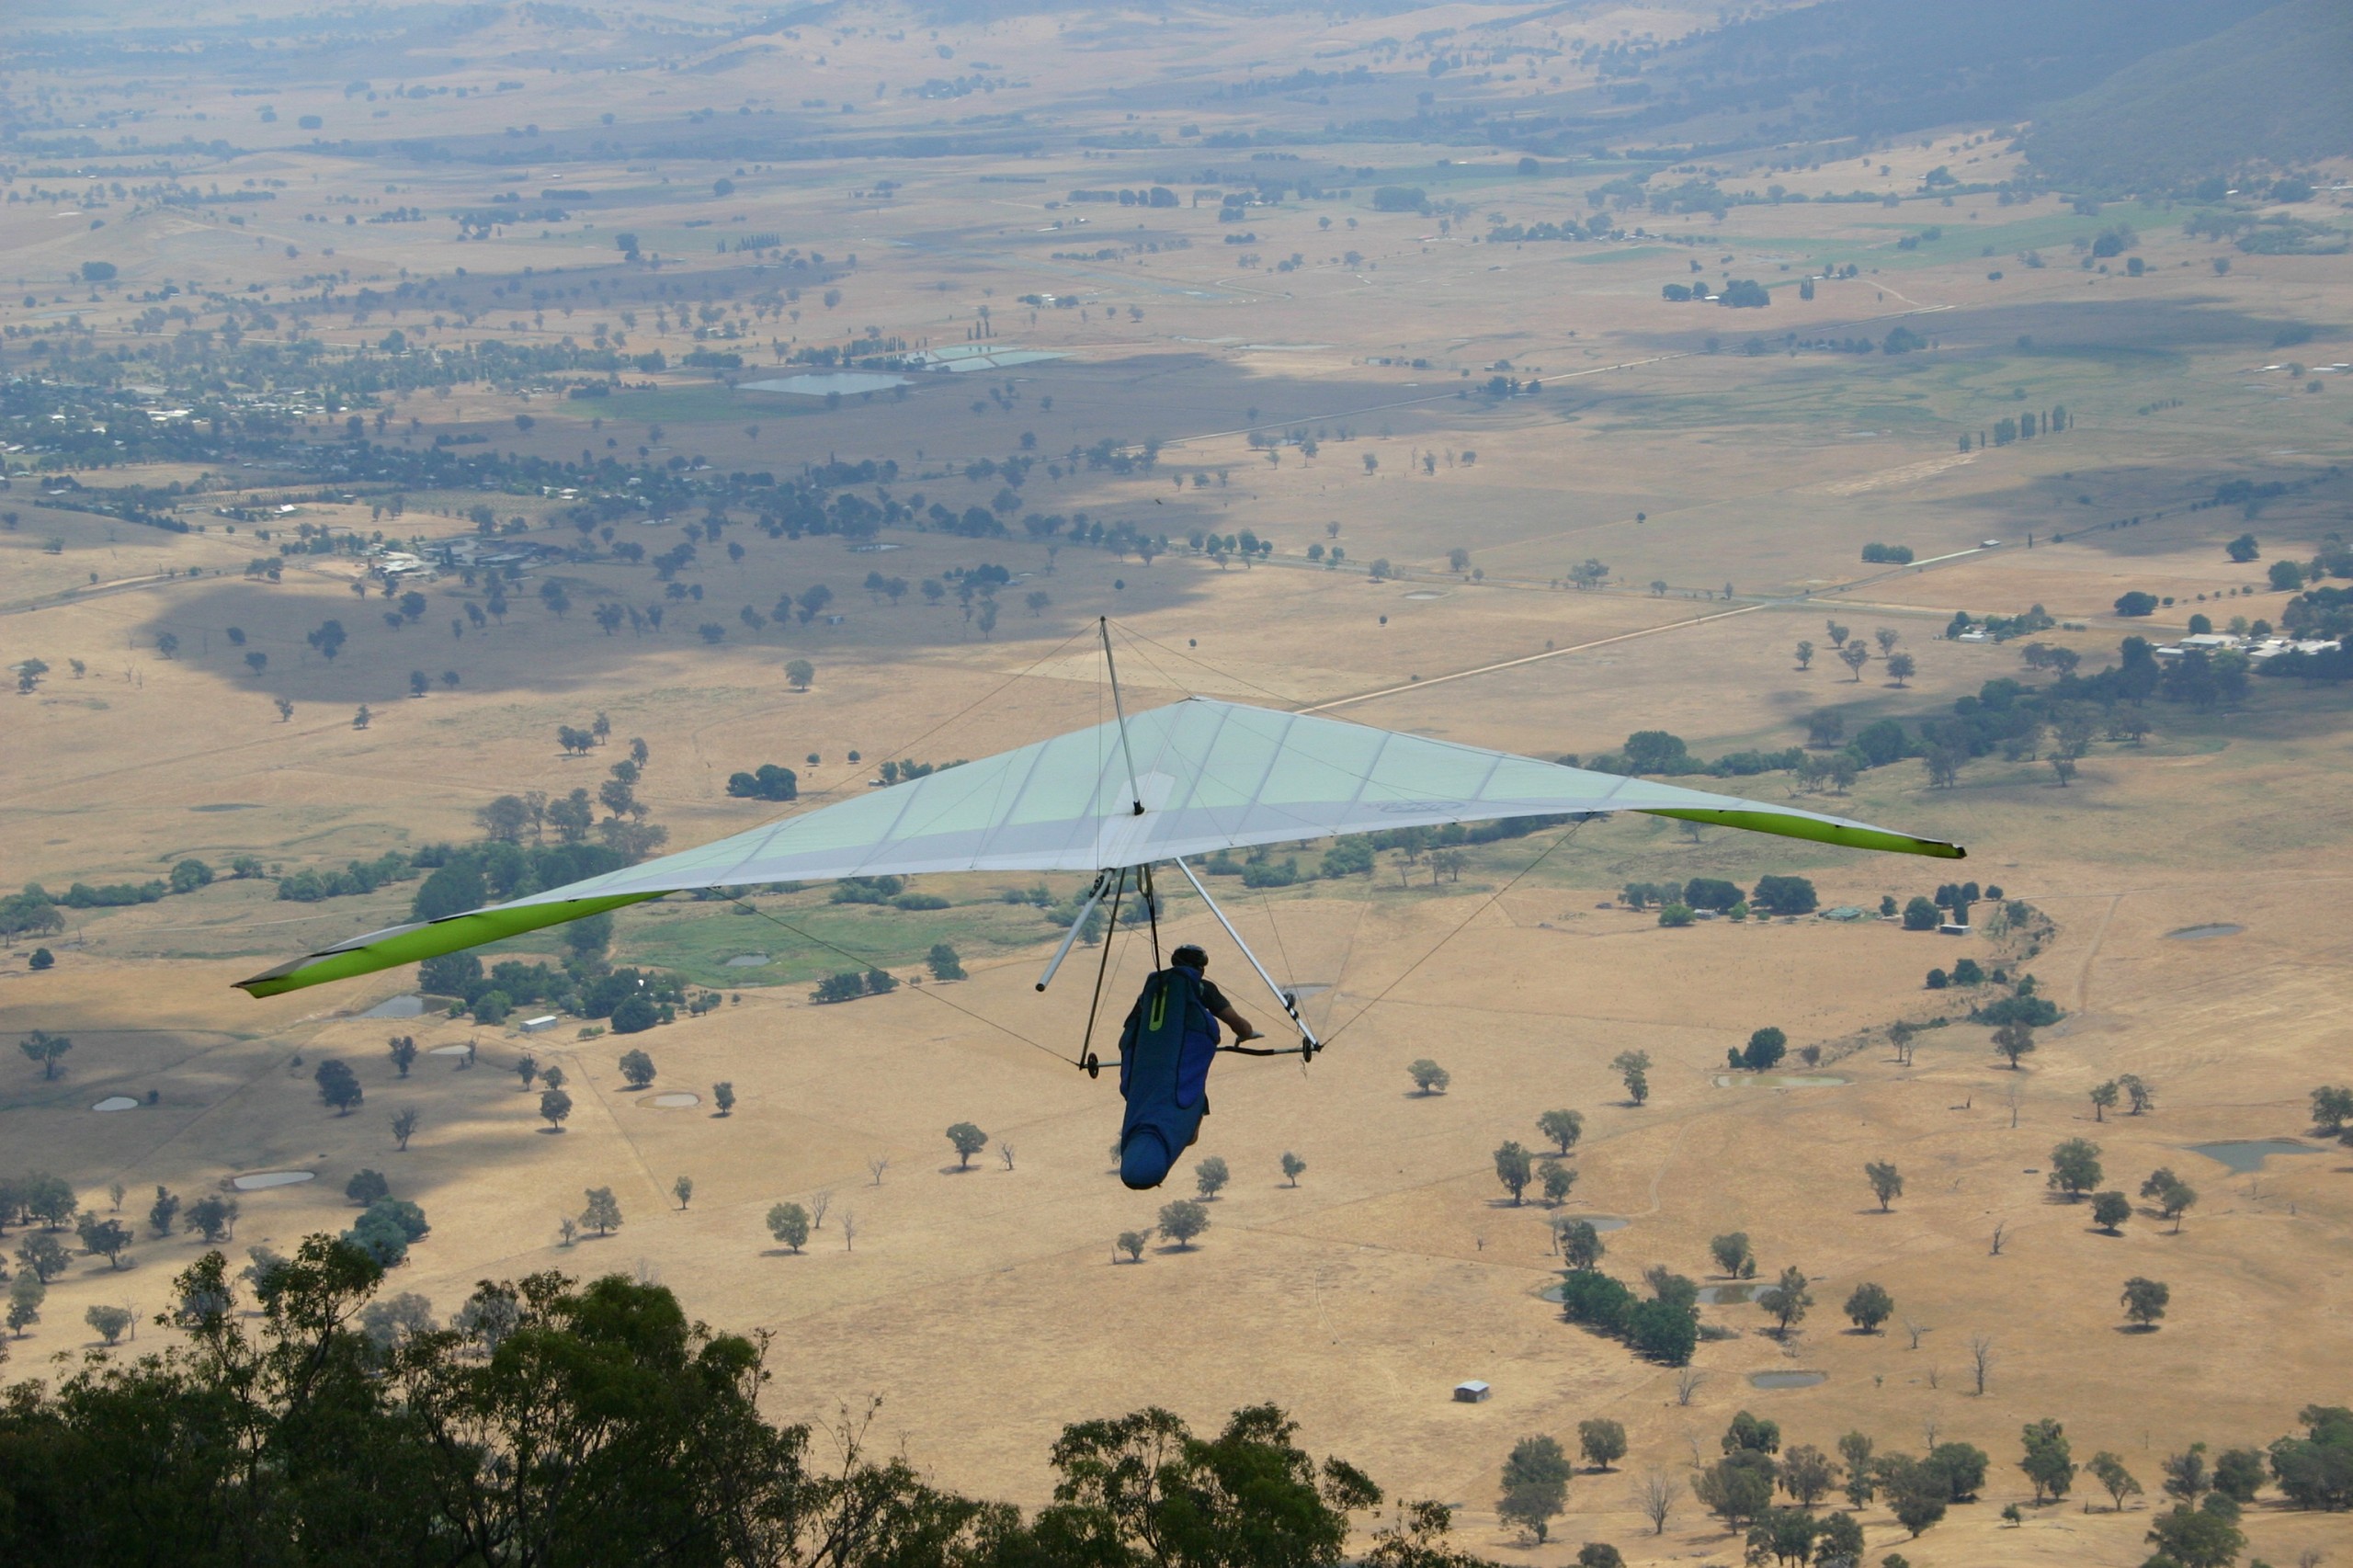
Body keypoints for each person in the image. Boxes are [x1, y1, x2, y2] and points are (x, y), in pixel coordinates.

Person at [1115, 944, 1258, 1190]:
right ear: (1201, 968)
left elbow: (1130, 1029)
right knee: (1189, 1106)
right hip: (1180, 1061)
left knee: (1159, 1101)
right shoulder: (1200, 987)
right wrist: (1246, 1033)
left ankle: (1158, 1140)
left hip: (1147, 1064)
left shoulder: (1152, 988)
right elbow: (1238, 1024)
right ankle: (1178, 1132)